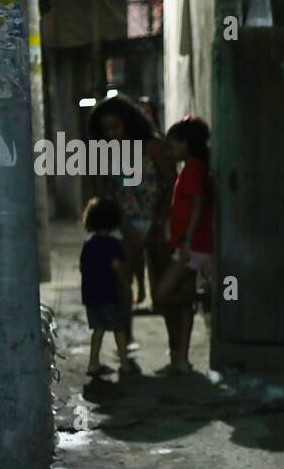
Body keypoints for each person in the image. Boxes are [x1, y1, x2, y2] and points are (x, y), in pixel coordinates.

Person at [88, 96, 175, 317]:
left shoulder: (153, 146)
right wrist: (123, 224)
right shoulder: (107, 153)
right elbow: (110, 192)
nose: (111, 134)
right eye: (105, 130)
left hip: (159, 221)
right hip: (126, 222)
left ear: (128, 121)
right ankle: (124, 341)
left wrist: (160, 220)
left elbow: (172, 183)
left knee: (163, 291)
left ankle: (176, 347)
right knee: (120, 282)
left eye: (115, 127)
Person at [153, 115, 214, 373]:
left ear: (186, 145)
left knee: (163, 294)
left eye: (173, 146)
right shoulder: (193, 167)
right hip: (193, 244)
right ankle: (182, 360)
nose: (169, 151)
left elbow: (197, 205)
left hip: (193, 246)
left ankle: (205, 296)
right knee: (184, 302)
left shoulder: (191, 169)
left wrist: (187, 239)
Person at [80, 197, 138, 378]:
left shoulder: (88, 244)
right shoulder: (113, 244)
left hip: (90, 294)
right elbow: (116, 266)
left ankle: (93, 364)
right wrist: (126, 284)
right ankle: (125, 364)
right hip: (108, 294)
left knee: (98, 329)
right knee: (118, 328)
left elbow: (82, 267)